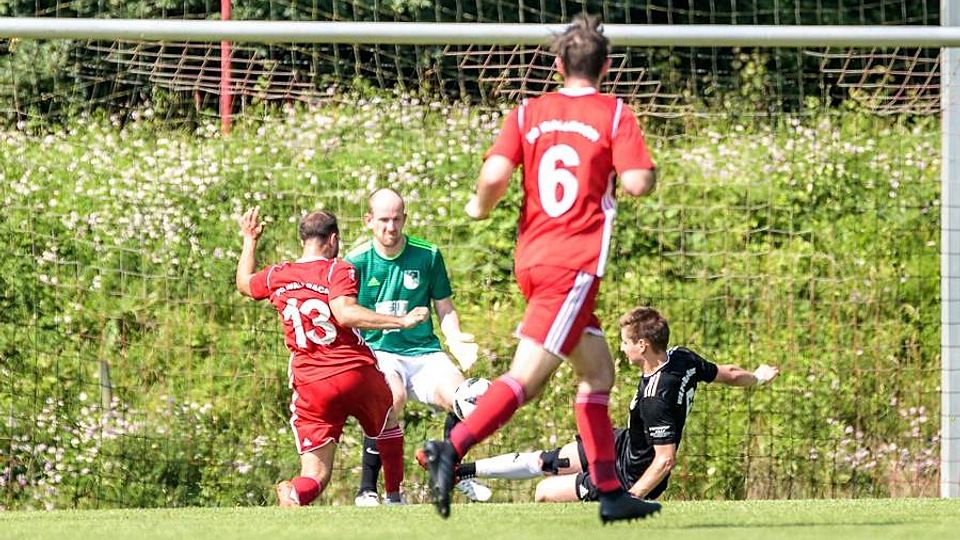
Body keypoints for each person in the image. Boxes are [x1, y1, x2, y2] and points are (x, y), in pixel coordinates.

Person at [422, 13, 661, 523]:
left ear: (557, 65)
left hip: (534, 260)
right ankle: (451, 448)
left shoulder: (528, 112)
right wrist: (644, 170)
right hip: (572, 266)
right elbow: (638, 183)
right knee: (525, 382)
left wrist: (479, 207)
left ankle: (609, 491)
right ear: (606, 66)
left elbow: (494, 173)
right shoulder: (613, 113)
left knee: (598, 374)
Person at [447, 306, 780, 503]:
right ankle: (460, 471)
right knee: (546, 460)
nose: (621, 348)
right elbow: (727, 373)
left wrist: (629, 499)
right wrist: (758, 377)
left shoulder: (657, 399)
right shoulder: (682, 357)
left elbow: (665, 460)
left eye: (625, 342)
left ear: (643, 345)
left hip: (630, 474)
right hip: (623, 444)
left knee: (544, 492)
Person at [235, 206, 429, 507]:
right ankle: (394, 497)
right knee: (387, 425)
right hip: (354, 371)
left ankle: (295, 492)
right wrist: (401, 321)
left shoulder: (278, 275)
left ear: (303, 240)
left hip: (311, 382)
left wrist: (250, 240)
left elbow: (244, 283)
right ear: (333, 239)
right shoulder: (338, 269)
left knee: (317, 474)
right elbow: (344, 312)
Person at [347, 188, 492, 506]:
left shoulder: (428, 255)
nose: (391, 227)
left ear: (405, 218)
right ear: (368, 220)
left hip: (424, 352)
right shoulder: (355, 261)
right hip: (380, 352)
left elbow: (445, 306)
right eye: (383, 220)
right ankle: (368, 489)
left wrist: (455, 338)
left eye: (397, 219)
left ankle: (451, 471)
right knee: (391, 398)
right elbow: (347, 312)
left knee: (466, 398)